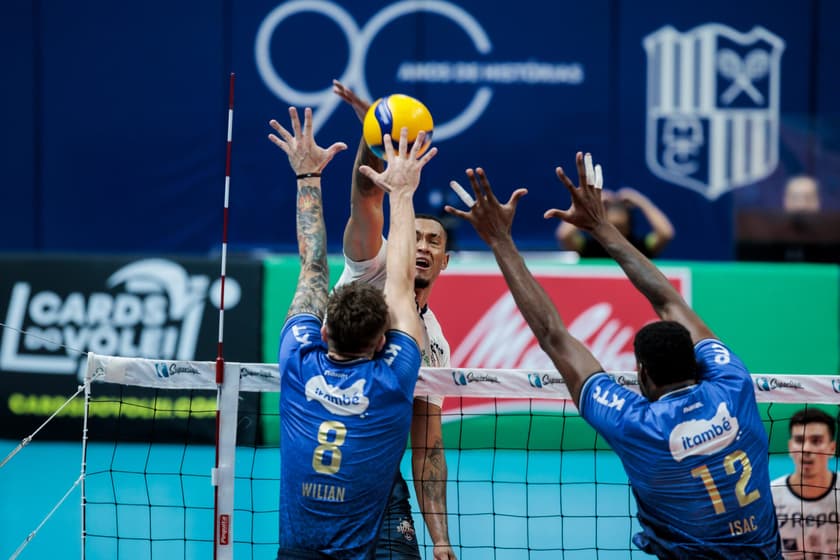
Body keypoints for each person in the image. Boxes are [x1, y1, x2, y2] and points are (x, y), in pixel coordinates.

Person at [445, 153, 782, 559]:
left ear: (642, 376)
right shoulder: (733, 384)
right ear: (698, 363)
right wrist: (603, 227)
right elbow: (670, 303)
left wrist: (501, 241)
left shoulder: (637, 425)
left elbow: (554, 336)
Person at [271, 106, 437, 558]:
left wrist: (307, 176)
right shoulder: (390, 381)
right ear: (382, 343)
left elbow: (312, 268)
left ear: (323, 333)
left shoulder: (297, 364)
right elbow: (401, 286)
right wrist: (402, 193)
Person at [332, 80, 457, 560]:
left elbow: (428, 448)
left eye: (433, 241)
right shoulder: (370, 264)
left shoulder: (435, 344)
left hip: (381, 483)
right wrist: (377, 133)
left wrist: (441, 539)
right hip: (322, 463)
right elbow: (366, 198)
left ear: (444, 261)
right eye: (416, 236)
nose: (421, 246)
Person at [771, 408, 840, 558]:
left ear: (832, 448)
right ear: (790, 447)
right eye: (799, 440)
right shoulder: (771, 495)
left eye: (816, 441)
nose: (806, 449)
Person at [556, 186, 674, 258]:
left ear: (629, 225)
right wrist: (587, 207)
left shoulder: (641, 247)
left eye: (620, 227)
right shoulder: (587, 247)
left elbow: (666, 233)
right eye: (611, 226)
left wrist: (642, 202)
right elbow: (564, 235)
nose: (615, 231)